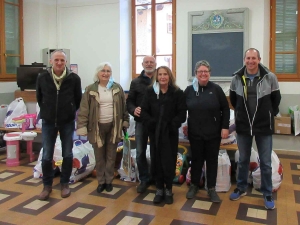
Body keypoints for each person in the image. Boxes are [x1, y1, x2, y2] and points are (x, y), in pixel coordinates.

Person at [229, 48, 281, 210]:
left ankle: (266, 192)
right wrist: (240, 116)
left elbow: (276, 99)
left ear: (259, 59)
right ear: (244, 60)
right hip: (244, 126)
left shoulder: (269, 77)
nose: (250, 61)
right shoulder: (237, 78)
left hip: (263, 126)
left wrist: (267, 114)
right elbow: (232, 99)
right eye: (248, 58)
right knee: (243, 160)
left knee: (265, 162)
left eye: (254, 58)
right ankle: (241, 187)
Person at [36, 49, 82, 201]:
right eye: (56, 60)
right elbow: (39, 97)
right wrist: (48, 111)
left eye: (62, 60)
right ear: (51, 61)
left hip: (67, 121)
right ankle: (47, 186)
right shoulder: (42, 77)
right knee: (47, 155)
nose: (59, 63)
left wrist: (68, 111)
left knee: (67, 154)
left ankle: (64, 184)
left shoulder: (74, 78)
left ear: (66, 62)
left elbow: (77, 99)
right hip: (48, 121)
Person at [76, 62, 129, 193]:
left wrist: (125, 121)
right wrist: (81, 126)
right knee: (99, 157)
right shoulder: (90, 89)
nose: (105, 73)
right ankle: (101, 182)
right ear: (98, 73)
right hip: (96, 128)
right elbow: (84, 109)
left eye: (108, 71)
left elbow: (124, 107)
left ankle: (109, 181)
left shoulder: (117, 88)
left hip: (113, 127)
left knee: (111, 156)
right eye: (103, 71)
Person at [184, 60, 230, 203]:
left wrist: (225, 127)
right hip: (195, 133)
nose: (203, 74)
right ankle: (194, 185)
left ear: (210, 74)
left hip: (213, 133)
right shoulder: (189, 90)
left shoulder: (216, 89)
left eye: (206, 71)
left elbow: (225, 109)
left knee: (211, 161)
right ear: (195, 74)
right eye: (200, 72)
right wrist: (184, 124)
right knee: (196, 160)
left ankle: (211, 188)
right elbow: (181, 109)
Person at [140, 66, 187, 204]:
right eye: (160, 74)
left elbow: (182, 113)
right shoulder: (150, 92)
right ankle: (159, 189)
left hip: (170, 133)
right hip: (155, 133)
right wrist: (152, 123)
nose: (162, 77)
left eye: (165, 74)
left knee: (169, 161)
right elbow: (144, 112)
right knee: (156, 161)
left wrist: (172, 125)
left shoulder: (177, 93)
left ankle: (168, 190)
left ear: (169, 76)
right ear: (156, 76)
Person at [126, 55, 156, 193]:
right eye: (147, 62)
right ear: (142, 64)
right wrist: (133, 109)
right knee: (140, 152)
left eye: (151, 62)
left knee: (157, 151)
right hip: (141, 122)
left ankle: (156, 178)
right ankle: (144, 179)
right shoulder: (135, 82)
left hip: (157, 122)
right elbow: (129, 101)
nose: (149, 64)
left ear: (155, 64)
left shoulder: (161, 79)